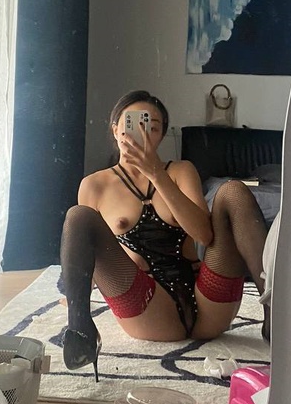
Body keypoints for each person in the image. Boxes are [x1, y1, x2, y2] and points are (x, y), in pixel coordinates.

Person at [60, 90, 270, 380]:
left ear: (161, 136)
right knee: (78, 217)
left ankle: (273, 311)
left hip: (208, 301)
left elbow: (204, 235)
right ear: (116, 129)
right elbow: (88, 253)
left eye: (153, 126)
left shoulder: (181, 171)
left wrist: (156, 174)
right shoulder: (95, 185)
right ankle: (81, 329)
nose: (144, 132)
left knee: (234, 191)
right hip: (149, 309)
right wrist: (75, 293)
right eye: (134, 123)